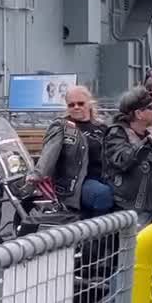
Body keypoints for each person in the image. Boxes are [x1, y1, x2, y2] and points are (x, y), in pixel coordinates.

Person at [34, 85, 113, 215]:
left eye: (80, 103)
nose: (76, 107)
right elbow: (49, 153)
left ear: (89, 103)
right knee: (102, 194)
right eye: (71, 105)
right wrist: (37, 174)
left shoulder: (102, 127)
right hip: (76, 183)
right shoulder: (62, 126)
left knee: (126, 194)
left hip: (104, 177)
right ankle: (99, 234)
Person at [104, 86, 152, 224]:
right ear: (138, 114)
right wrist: (151, 140)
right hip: (132, 208)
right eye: (150, 107)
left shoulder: (147, 133)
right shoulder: (116, 134)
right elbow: (123, 160)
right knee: (133, 245)